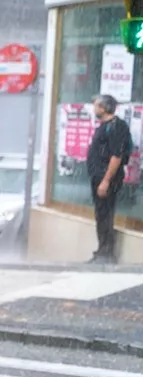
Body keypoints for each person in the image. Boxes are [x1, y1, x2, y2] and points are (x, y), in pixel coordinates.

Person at [87, 94, 132, 263]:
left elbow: (116, 156)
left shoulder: (116, 127)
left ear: (104, 108)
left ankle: (107, 253)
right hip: (97, 176)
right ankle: (101, 249)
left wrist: (106, 180)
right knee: (100, 214)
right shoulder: (104, 126)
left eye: (97, 105)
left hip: (107, 178)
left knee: (106, 213)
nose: (94, 108)